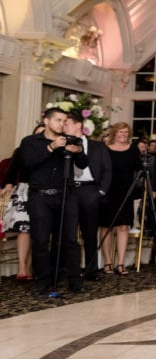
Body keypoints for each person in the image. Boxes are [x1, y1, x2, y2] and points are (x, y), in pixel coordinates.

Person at [20, 108, 83, 295]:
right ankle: (43, 281)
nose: (62, 124)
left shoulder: (70, 140)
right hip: (40, 196)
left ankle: (74, 280)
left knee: (69, 240)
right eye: (58, 120)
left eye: (64, 121)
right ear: (46, 121)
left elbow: (83, 164)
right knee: (40, 240)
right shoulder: (30, 141)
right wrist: (51, 147)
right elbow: (27, 163)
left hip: (66, 195)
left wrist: (78, 151)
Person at [64, 113, 111, 281]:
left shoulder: (98, 146)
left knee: (90, 233)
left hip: (90, 191)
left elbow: (107, 170)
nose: (63, 126)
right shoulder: (62, 144)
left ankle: (91, 270)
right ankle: (68, 270)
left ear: (78, 125)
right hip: (68, 190)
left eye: (66, 123)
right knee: (66, 232)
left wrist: (101, 192)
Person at [0, 124, 44, 282]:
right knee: (24, 229)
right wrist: (8, 185)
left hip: (45, 192)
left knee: (38, 232)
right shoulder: (22, 151)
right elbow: (11, 171)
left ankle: (31, 266)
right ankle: (22, 267)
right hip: (25, 192)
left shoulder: (53, 151)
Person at [100, 123, 141, 275]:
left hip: (126, 191)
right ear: (114, 133)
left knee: (123, 226)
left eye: (126, 132)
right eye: (120, 132)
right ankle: (108, 262)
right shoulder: (105, 148)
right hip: (108, 190)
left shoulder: (133, 149)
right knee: (107, 226)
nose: (123, 134)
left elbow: (139, 169)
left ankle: (121, 263)